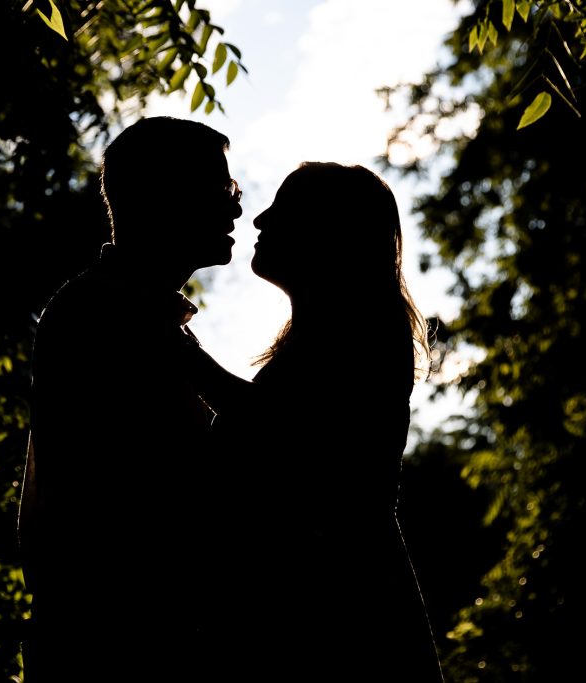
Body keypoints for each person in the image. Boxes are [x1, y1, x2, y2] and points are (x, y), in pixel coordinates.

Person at [176, 162, 444, 680]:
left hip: (336, 611)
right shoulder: (340, 342)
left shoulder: (360, 342)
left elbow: (278, 431)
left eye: (284, 209)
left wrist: (184, 355)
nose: (260, 221)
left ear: (329, 234)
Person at [17, 116, 242, 680]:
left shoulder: (128, 311)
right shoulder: (109, 314)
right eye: (223, 193)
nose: (237, 210)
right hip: (118, 646)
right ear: (165, 199)